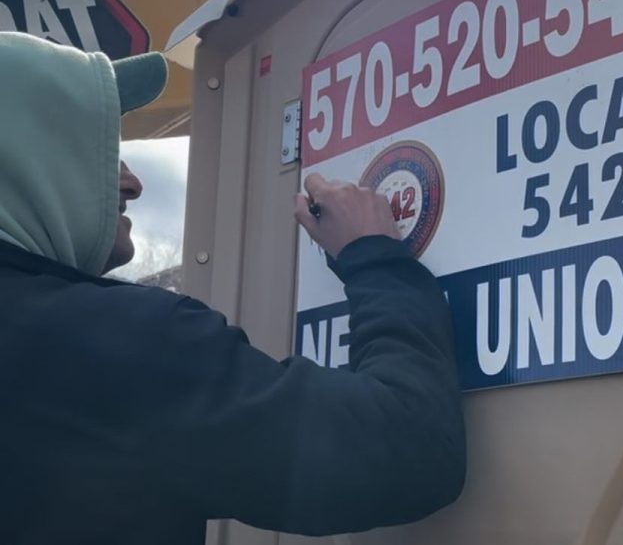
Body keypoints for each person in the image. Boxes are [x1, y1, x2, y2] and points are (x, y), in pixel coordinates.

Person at [0, 32, 465, 544]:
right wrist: (374, 257)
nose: (132, 183)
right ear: (26, 159)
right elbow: (411, 450)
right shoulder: (118, 343)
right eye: (100, 149)